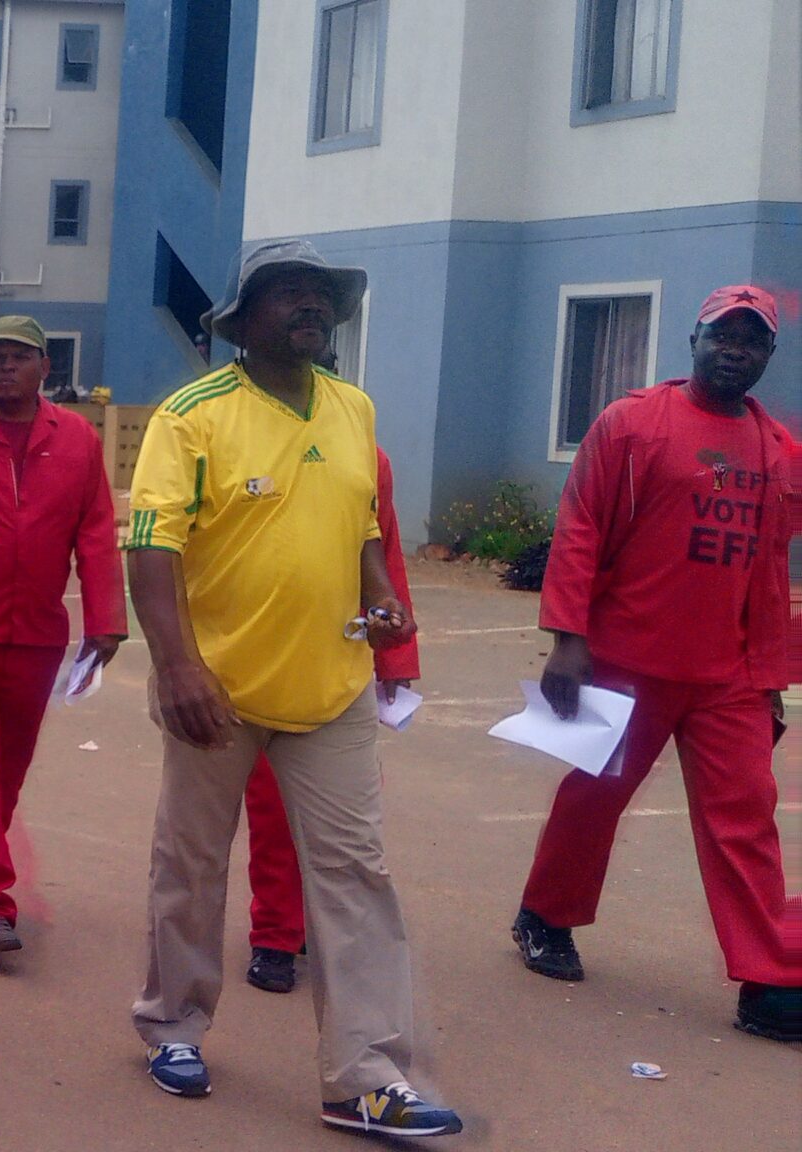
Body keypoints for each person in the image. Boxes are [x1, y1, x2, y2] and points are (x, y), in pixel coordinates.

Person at [125, 240, 460, 1137]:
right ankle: (172, 1025)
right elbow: (150, 547)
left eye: (321, 294)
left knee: (357, 874)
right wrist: (178, 665)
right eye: (288, 293)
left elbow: (363, 530)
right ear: (244, 316)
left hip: (332, 688)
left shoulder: (353, 408)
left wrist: (384, 598)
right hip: (216, 690)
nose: (311, 305)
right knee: (191, 865)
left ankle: (366, 1075)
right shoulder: (192, 415)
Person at [513, 285, 797, 1043]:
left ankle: (770, 982)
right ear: (694, 339)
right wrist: (567, 638)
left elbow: (772, 567)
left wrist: (771, 676)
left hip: (729, 676)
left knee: (747, 820)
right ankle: (546, 917)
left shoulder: (778, 451)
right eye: (723, 335)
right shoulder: (634, 424)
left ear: (768, 356)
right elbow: (580, 528)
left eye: (753, 341)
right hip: (626, 660)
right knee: (593, 798)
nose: (735, 349)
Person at [0, 314, 126, 955]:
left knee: (7, 768)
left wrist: (105, 621)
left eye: (20, 356)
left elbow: (95, 532)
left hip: (37, 635)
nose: (5, 366)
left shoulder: (75, 442)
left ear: (45, 369)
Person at [242, 448, 416, 995]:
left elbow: (383, 552)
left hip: (339, 660)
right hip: (258, 657)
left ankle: (323, 930)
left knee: (345, 818)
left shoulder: (366, 453)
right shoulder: (237, 436)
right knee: (271, 805)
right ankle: (274, 933)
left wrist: (395, 658)